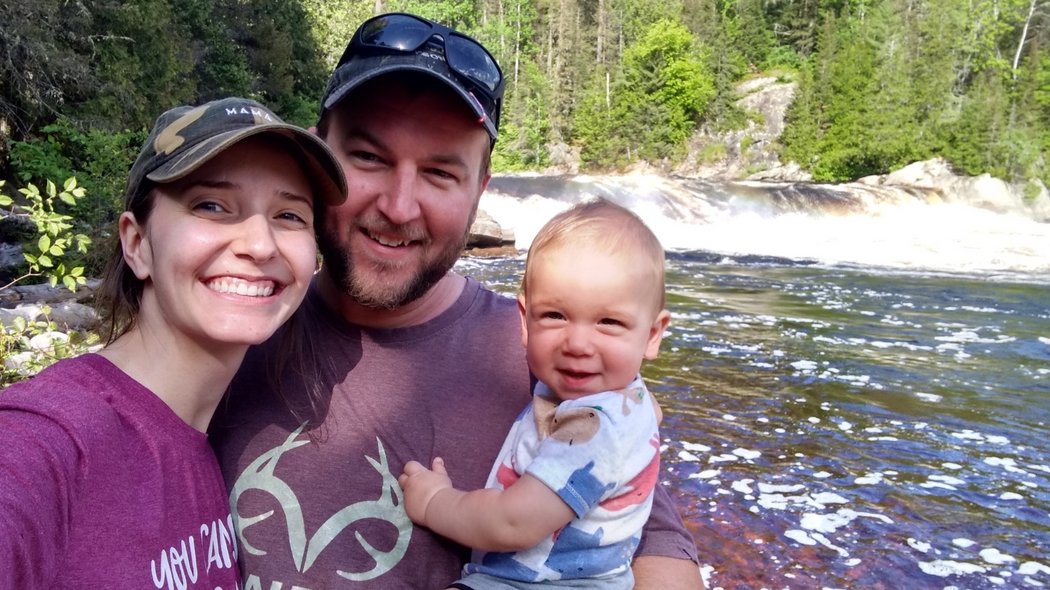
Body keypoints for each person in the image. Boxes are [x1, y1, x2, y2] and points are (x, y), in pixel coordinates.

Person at [209, 12, 701, 589]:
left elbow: (655, 550)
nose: (398, 207)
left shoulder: (551, 354)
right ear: (317, 156)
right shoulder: (229, 327)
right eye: (369, 157)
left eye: (440, 173)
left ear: (479, 189)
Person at [0, 96, 347, 589]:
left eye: (290, 215)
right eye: (211, 206)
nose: (260, 245)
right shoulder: (46, 439)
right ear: (137, 244)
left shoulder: (203, 439)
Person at [399, 199, 672, 589]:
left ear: (652, 335)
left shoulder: (595, 428)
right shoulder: (626, 398)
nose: (577, 344)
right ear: (525, 321)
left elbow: (513, 523)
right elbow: (651, 414)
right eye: (555, 316)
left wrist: (435, 502)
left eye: (609, 322)